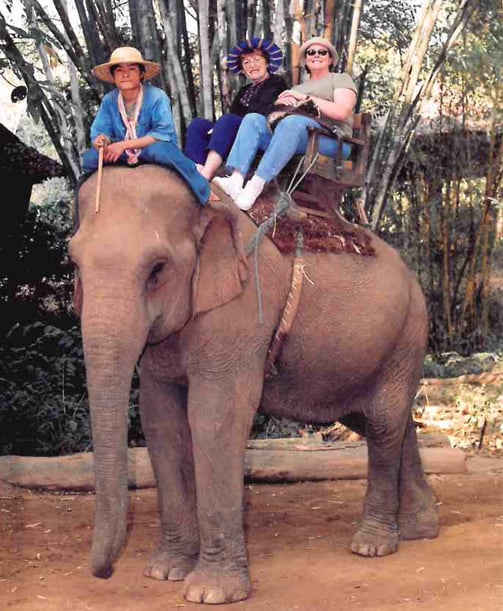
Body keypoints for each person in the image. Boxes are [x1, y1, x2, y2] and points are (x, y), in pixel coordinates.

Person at [213, 37, 357, 211]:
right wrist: (279, 104)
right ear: (305, 59)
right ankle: (235, 180)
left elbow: (341, 112)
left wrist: (304, 99)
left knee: (293, 122)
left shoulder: (340, 79)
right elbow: (277, 119)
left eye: (322, 52)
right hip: (295, 137)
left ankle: (256, 185)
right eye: (311, 52)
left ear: (331, 59)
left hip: (332, 141)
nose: (316, 55)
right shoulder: (296, 88)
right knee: (253, 119)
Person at [81, 46, 210, 205]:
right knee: (90, 158)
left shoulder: (157, 96)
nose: (126, 74)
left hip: (150, 150)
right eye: (119, 70)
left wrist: (122, 145)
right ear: (113, 76)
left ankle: (203, 189)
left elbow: (162, 134)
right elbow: (100, 131)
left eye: (132, 69)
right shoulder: (109, 100)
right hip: (122, 155)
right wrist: (102, 140)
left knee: (163, 150)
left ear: (141, 73)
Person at [183, 37, 287, 181]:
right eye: (246, 62)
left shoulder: (276, 82)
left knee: (227, 120)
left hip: (260, 130)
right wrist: (220, 126)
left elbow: (260, 110)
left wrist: (225, 124)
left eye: (257, 60)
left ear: (267, 63)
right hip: (235, 129)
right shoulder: (244, 90)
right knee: (198, 125)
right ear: (243, 70)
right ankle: (196, 168)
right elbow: (234, 112)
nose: (252, 65)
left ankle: (207, 173)